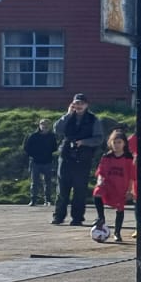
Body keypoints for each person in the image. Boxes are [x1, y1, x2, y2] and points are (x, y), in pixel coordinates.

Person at [52, 95, 102, 226]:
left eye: (81, 103)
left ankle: (77, 218)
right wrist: (68, 115)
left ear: (86, 105)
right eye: (76, 103)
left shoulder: (93, 119)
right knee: (62, 189)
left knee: (80, 190)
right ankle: (58, 216)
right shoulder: (68, 117)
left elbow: (99, 138)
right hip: (66, 156)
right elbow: (57, 129)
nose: (79, 106)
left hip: (83, 158)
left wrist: (83, 142)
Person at [92, 129, 137, 242]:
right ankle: (101, 217)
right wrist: (100, 181)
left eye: (119, 142)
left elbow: (131, 176)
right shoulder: (107, 157)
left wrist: (130, 190)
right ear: (110, 143)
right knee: (97, 193)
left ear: (124, 143)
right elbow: (101, 172)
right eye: (114, 142)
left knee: (120, 209)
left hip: (120, 187)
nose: (116, 145)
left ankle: (117, 232)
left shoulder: (128, 159)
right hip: (108, 185)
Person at [22, 119, 57, 206]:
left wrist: (48, 153)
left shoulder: (52, 136)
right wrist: (33, 155)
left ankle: (48, 200)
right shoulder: (33, 136)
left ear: (49, 126)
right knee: (34, 182)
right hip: (35, 162)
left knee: (48, 182)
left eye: (47, 124)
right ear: (39, 125)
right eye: (43, 124)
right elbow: (26, 147)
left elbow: (54, 147)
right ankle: (33, 200)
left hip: (48, 161)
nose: (45, 126)